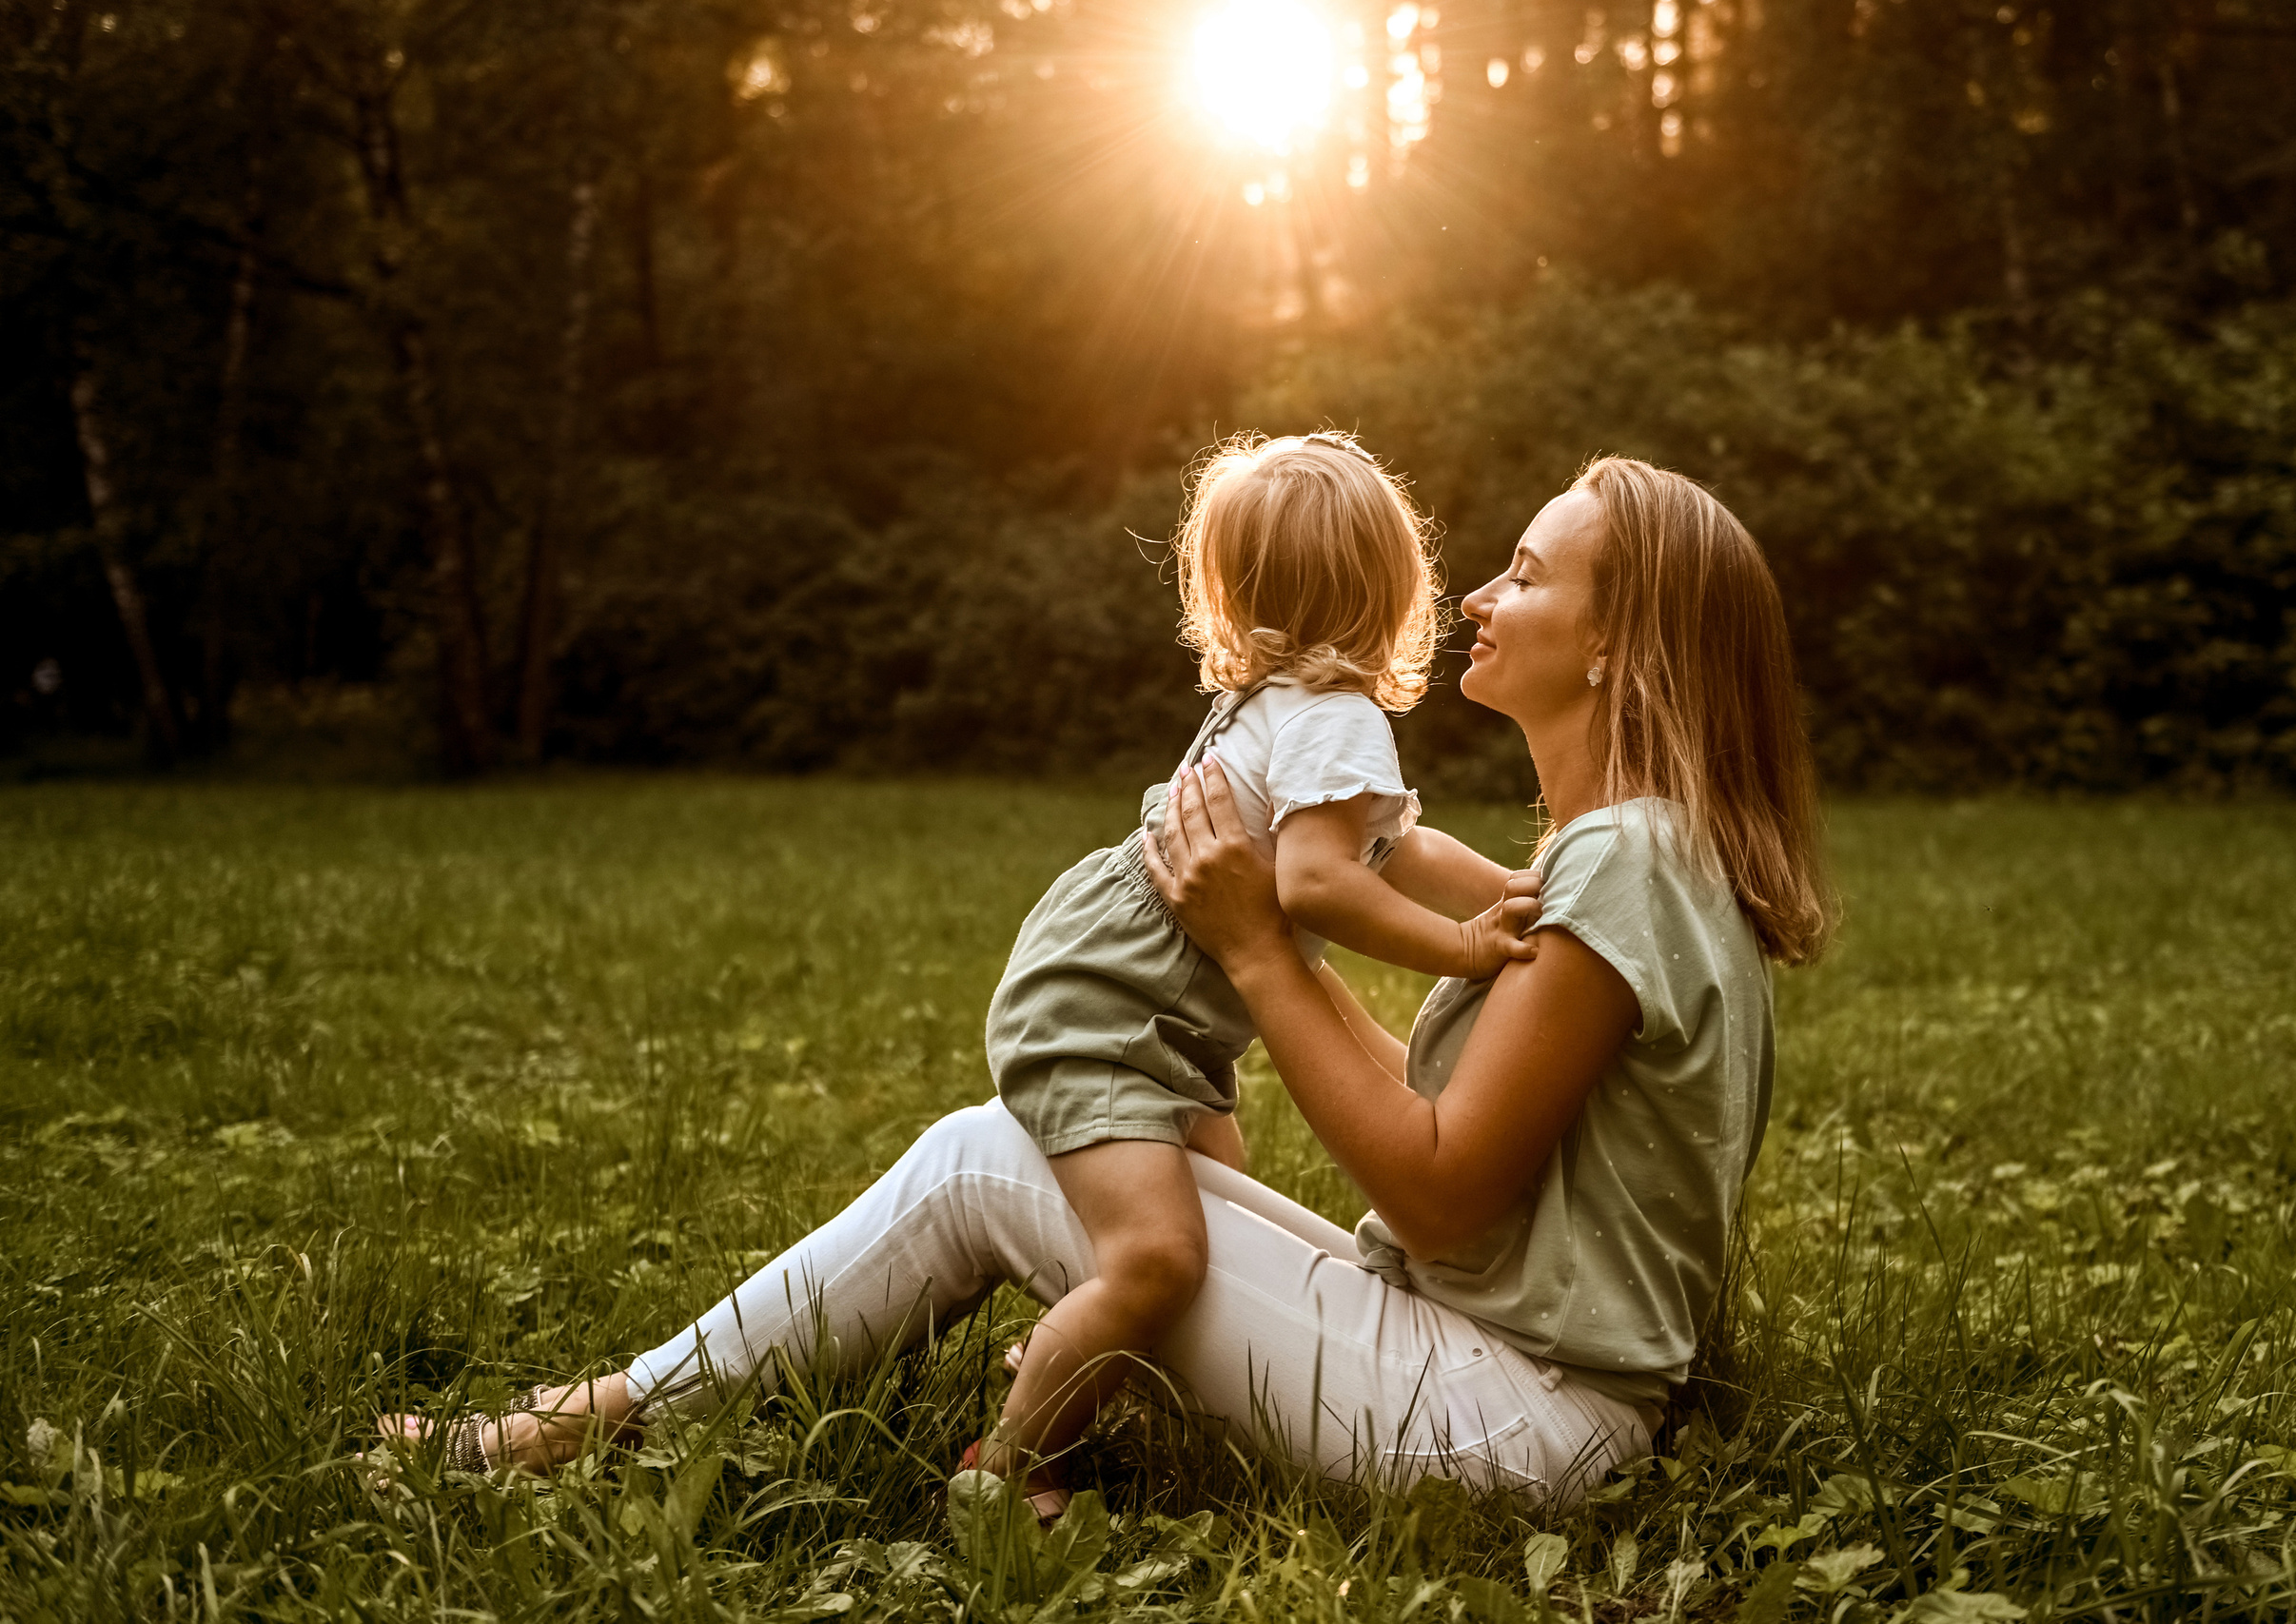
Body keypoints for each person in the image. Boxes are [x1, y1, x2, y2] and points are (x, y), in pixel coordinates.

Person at [383, 456, 1832, 1516]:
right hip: (1498, 1368)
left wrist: (1259, 947)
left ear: (1616, 643)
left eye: (1528, 571)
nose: (1481, 592)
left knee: (979, 1167)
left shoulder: (1631, 865)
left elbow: (1444, 1192)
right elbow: (1480, 1150)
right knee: (985, 1151)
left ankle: (603, 1427)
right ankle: (609, 1412)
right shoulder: (1623, 857)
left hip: (1516, 1415)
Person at [975, 431, 1540, 1516]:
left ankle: (1076, 1359)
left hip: (1151, 1013)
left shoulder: (1289, 705)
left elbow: (1396, 846)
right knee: (1161, 1258)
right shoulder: (1334, 717)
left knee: (1217, 1230)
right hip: (1109, 1014)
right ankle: (1003, 1467)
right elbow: (1321, 887)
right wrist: (1466, 947)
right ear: (1394, 585)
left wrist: (1507, 887)